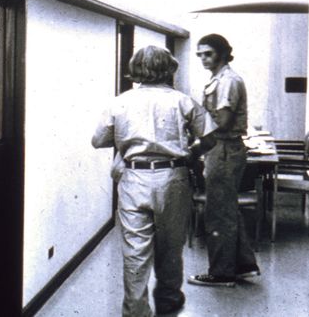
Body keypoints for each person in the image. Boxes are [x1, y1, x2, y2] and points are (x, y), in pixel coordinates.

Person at [91, 45, 216, 317]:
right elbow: (210, 137)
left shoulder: (120, 101)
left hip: (134, 177)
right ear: (169, 69)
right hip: (173, 177)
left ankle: (136, 311)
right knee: (171, 244)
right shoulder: (183, 101)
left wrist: (129, 142)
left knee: (135, 251)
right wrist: (189, 151)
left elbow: (98, 140)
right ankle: (169, 297)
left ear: (136, 70)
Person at [187, 33, 260, 288]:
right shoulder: (219, 79)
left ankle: (221, 273)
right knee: (227, 210)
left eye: (208, 53)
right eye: (200, 55)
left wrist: (198, 142)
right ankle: (243, 265)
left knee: (218, 213)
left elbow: (223, 122)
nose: (203, 59)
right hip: (222, 149)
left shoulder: (227, 81)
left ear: (222, 52)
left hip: (224, 148)